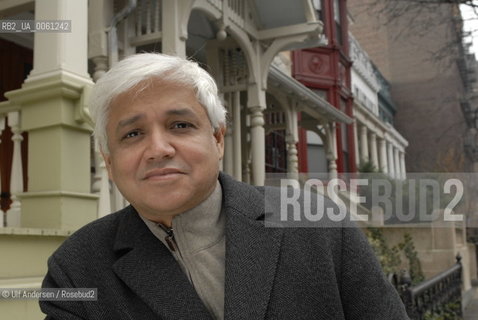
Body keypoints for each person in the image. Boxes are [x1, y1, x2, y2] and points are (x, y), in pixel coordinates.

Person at [40, 53, 409, 319]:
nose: (157, 149)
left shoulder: (318, 225)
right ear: (108, 160)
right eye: (133, 133)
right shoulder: (76, 271)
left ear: (217, 139)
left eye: (180, 125)